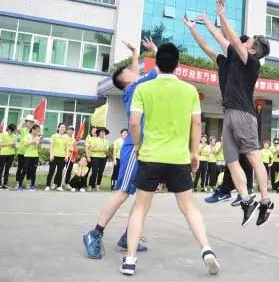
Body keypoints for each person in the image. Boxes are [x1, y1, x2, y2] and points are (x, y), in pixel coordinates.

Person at [120, 43, 220, 276]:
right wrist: (194, 152)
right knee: (189, 208)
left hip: (151, 155)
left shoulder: (143, 89)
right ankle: (206, 249)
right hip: (178, 158)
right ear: (178, 64)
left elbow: (134, 122)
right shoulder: (189, 90)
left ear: (157, 63)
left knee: (140, 208)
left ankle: (130, 260)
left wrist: (138, 145)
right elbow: (197, 123)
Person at [184, 4, 274, 226]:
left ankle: (266, 200)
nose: (243, 41)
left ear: (252, 50)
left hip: (244, 114)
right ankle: (245, 200)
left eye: (248, 41)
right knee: (232, 161)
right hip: (229, 114)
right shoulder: (231, 57)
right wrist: (199, 26)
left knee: (253, 157)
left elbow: (231, 38)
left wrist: (222, 15)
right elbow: (215, 41)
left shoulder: (251, 62)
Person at [83, 38, 156, 260]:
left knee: (145, 195)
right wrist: (155, 51)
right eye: (131, 71)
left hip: (146, 148)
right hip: (135, 148)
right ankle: (94, 233)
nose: (136, 71)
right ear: (125, 79)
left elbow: (137, 72)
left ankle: (128, 236)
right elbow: (162, 68)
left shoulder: (134, 87)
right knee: (123, 192)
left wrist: (135, 54)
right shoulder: (136, 87)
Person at [46, 122, 71, 191]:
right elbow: (51, 146)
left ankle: (59, 186)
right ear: (58, 128)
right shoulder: (54, 136)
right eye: (61, 127)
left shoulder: (66, 137)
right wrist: (51, 155)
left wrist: (66, 156)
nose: (62, 128)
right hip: (54, 156)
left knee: (60, 172)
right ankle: (47, 185)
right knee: (51, 171)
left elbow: (67, 147)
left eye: (64, 127)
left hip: (62, 157)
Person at [16, 115, 35, 190]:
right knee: (20, 168)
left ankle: (28, 183)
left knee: (29, 169)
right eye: (29, 122)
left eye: (32, 122)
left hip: (29, 153)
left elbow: (39, 134)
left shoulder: (33, 131)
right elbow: (18, 129)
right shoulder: (23, 130)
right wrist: (22, 121)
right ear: (26, 122)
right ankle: (18, 183)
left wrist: (37, 124)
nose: (30, 123)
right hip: (22, 152)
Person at [87, 127, 109, 192]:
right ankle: (90, 185)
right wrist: (100, 149)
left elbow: (106, 149)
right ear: (98, 133)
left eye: (104, 132)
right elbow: (91, 149)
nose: (102, 133)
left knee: (101, 172)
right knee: (94, 172)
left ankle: (98, 185)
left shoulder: (106, 141)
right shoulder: (94, 140)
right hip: (95, 157)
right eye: (101, 132)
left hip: (103, 158)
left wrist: (98, 149)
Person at [0, 123, 17, 189]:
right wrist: (8, 143)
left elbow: (14, 145)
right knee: (1, 169)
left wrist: (14, 145)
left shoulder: (14, 136)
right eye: (11, 130)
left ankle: (5, 183)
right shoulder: (2, 134)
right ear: (9, 129)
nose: (12, 132)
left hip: (11, 154)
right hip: (3, 154)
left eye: (13, 131)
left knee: (7, 169)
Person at [23, 124, 41, 191]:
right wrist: (34, 140)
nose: (37, 132)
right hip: (28, 155)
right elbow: (25, 144)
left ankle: (32, 185)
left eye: (38, 131)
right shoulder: (27, 136)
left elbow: (38, 147)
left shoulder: (37, 137)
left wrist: (39, 142)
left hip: (35, 156)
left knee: (33, 171)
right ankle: (23, 184)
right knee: (26, 170)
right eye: (36, 131)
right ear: (33, 129)